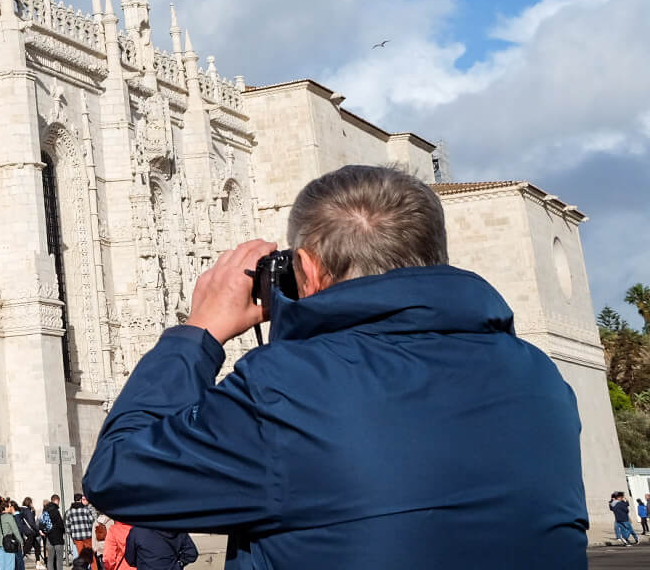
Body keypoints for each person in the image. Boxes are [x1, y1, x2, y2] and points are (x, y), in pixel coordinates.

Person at [82, 164, 587, 565]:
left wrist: (197, 334)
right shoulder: (540, 377)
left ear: (304, 269)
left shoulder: (287, 390)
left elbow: (117, 474)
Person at [121, 527, 195, 570]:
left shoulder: (137, 530)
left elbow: (130, 559)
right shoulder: (177, 529)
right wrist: (178, 565)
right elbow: (191, 553)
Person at [62, 496, 96, 565]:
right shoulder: (86, 510)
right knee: (91, 556)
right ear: (80, 500)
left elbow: (68, 526)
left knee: (81, 556)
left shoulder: (69, 512)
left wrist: (72, 534)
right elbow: (92, 521)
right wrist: (88, 529)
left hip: (77, 537)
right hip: (87, 536)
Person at [0, 498, 19, 570]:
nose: (10, 508)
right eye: (9, 507)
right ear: (5, 508)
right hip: (8, 542)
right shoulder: (9, 517)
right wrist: (21, 541)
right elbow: (15, 530)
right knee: (10, 563)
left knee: (1, 562)